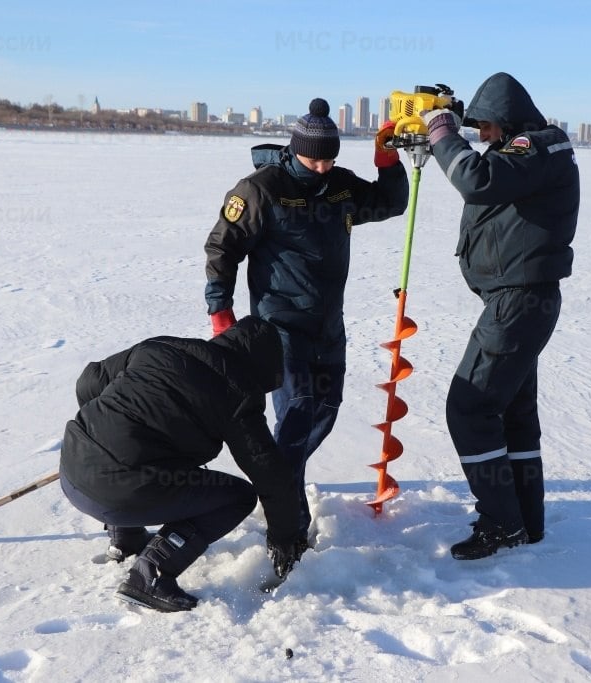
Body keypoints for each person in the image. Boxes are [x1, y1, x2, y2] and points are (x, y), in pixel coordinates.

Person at [204, 98, 409, 550]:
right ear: (295, 149)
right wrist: (220, 310)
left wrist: (388, 159)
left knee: (324, 412)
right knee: (296, 415)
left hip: (327, 326)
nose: (321, 167)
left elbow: (391, 204)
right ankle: (288, 525)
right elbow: (222, 248)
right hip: (279, 327)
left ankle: (275, 481)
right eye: (313, 158)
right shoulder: (260, 190)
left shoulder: (339, 186)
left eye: (329, 158)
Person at [419, 73, 580, 560]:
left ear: (506, 120)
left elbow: (476, 180)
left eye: (485, 127)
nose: (482, 137)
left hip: (519, 303)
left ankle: (500, 522)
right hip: (518, 301)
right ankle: (525, 521)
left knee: (469, 406)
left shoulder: (536, 146)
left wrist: (442, 132)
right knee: (512, 411)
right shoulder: (531, 152)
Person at [59, 316, 303, 612]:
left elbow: (90, 379)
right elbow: (270, 474)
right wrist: (284, 536)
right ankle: (150, 574)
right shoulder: (237, 395)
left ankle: (126, 536)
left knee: (147, 462)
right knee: (238, 498)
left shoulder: (161, 348)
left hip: (72, 466)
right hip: (119, 493)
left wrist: (103, 430)